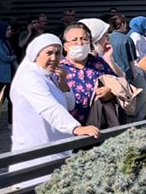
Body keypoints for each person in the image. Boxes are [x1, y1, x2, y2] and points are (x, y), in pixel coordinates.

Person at [9, 34, 100, 174]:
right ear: (36, 54)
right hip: (36, 152)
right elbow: (49, 107)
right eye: (49, 53)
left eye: (57, 53)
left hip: (56, 148)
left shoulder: (48, 74)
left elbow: (69, 105)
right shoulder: (29, 77)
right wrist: (76, 128)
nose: (54, 58)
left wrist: (63, 82)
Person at [59, 23, 117, 125]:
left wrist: (110, 91)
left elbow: (117, 84)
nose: (80, 43)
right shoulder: (59, 68)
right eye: (74, 40)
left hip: (100, 124)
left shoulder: (99, 63)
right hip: (70, 127)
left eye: (84, 39)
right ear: (65, 46)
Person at [108, 14, 137, 84]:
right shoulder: (127, 39)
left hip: (110, 73)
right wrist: (133, 74)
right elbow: (131, 60)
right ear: (122, 24)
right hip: (125, 74)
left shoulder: (107, 38)